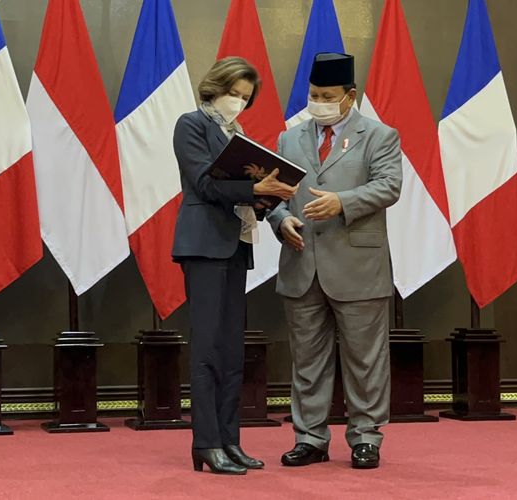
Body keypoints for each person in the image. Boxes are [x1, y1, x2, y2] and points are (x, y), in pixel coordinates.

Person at [267, 52, 403, 469]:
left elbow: (389, 186)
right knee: (307, 359)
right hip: (302, 262)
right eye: (313, 95)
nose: (318, 102)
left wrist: (342, 202)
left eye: (327, 95)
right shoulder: (289, 138)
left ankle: (366, 437)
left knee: (365, 358)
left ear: (350, 96)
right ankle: (310, 438)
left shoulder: (380, 136)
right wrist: (281, 220)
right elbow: (274, 194)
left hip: (357, 266)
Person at [172, 56, 298, 475]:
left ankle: (231, 440)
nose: (238, 104)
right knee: (207, 347)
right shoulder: (190, 124)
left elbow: (242, 193)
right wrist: (252, 187)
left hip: (235, 245)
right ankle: (206, 442)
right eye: (233, 94)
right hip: (204, 245)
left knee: (231, 351)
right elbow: (205, 184)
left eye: (245, 98)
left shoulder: (237, 134)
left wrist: (269, 197)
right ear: (214, 88)